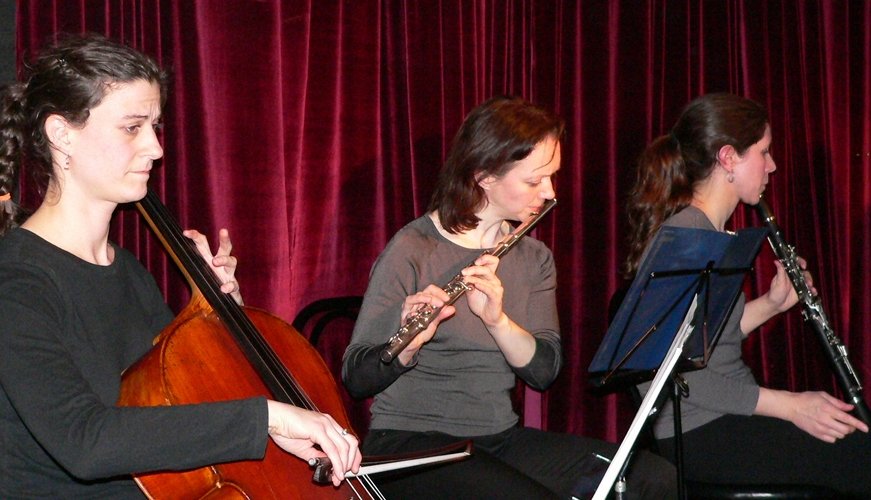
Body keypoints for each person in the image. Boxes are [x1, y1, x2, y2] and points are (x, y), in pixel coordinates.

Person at [0, 34, 360, 498]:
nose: (155, 148)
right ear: (61, 134)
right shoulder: (17, 281)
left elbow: (191, 406)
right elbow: (86, 442)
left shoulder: (128, 271)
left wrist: (220, 316)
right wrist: (268, 416)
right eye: (132, 127)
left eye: (155, 126)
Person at [343, 96, 677, 499]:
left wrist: (498, 321)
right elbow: (356, 376)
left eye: (552, 176)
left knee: (652, 477)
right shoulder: (414, 248)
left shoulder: (534, 258)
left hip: (497, 439)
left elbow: (543, 371)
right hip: (412, 445)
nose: (550, 191)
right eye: (534, 181)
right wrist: (409, 343)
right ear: (484, 176)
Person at [625, 92, 871, 496]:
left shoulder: (708, 233)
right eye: (764, 152)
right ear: (728, 158)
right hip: (699, 428)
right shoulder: (689, 239)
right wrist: (791, 406)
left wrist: (772, 304)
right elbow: (676, 375)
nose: (772, 166)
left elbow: (707, 338)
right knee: (859, 458)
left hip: (722, 414)